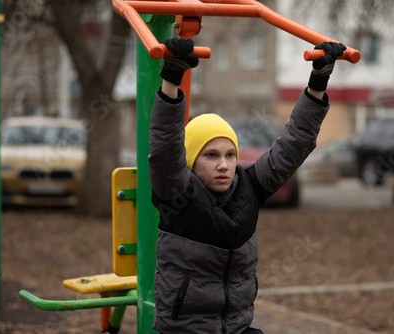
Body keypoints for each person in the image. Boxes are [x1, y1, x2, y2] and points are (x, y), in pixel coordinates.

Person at [148, 37, 345, 334]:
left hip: (238, 327)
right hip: (187, 329)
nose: (224, 165)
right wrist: (172, 78)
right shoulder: (175, 193)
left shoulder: (249, 187)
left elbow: (294, 145)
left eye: (230, 155)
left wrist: (318, 82)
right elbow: (165, 145)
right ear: (190, 160)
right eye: (211, 156)